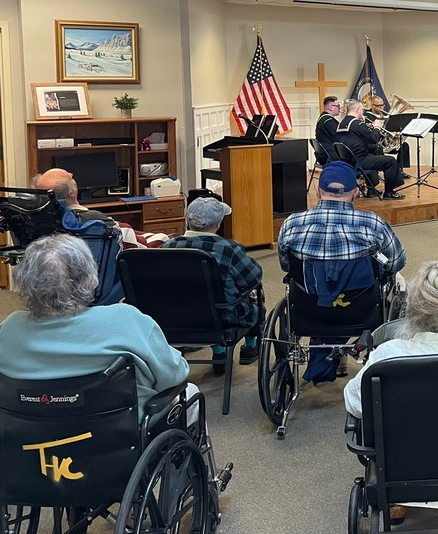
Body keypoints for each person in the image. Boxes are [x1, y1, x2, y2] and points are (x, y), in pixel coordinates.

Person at [343, 259, 438, 525]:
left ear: (412, 307)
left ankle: (398, 502)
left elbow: (354, 404)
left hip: (401, 470)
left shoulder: (387, 358)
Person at [0, 234, 190, 421]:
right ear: (90, 279)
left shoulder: (8, 330)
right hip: (119, 438)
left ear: (25, 283)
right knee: (191, 393)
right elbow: (174, 377)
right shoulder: (126, 319)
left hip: (29, 440)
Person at [160, 196, 265, 372]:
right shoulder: (228, 248)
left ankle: (219, 352)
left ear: (187, 219)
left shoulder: (166, 247)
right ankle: (250, 346)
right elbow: (253, 278)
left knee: (197, 299)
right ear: (218, 224)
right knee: (255, 292)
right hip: (224, 319)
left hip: (175, 320)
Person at [278, 160, 405, 300]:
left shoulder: (291, 223)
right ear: (355, 193)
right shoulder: (373, 224)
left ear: (318, 191)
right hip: (363, 310)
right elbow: (396, 262)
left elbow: (286, 265)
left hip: (307, 309)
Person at [33, 167, 166, 247]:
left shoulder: (40, 220)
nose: (73, 175)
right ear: (71, 192)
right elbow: (133, 242)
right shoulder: (93, 220)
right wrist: (165, 238)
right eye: (69, 177)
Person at [337, 99, 405, 199]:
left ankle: (372, 188)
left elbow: (357, 137)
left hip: (348, 160)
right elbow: (373, 139)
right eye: (362, 110)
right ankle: (389, 192)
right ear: (357, 110)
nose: (363, 112)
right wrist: (377, 128)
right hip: (359, 161)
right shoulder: (358, 124)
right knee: (391, 161)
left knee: (376, 154)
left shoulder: (342, 123)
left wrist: (370, 128)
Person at [366, 96, 411, 177]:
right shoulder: (367, 116)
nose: (381, 107)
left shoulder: (385, 115)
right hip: (375, 141)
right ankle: (376, 172)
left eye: (382, 105)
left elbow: (390, 128)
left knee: (404, 145)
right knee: (377, 147)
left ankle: (399, 170)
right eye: (378, 106)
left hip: (386, 142)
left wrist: (394, 134)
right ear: (372, 105)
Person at [314, 95, 341, 165]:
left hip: (325, 153)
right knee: (356, 156)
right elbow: (339, 137)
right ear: (331, 107)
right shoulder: (328, 121)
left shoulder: (324, 118)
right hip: (328, 154)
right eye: (338, 106)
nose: (339, 108)